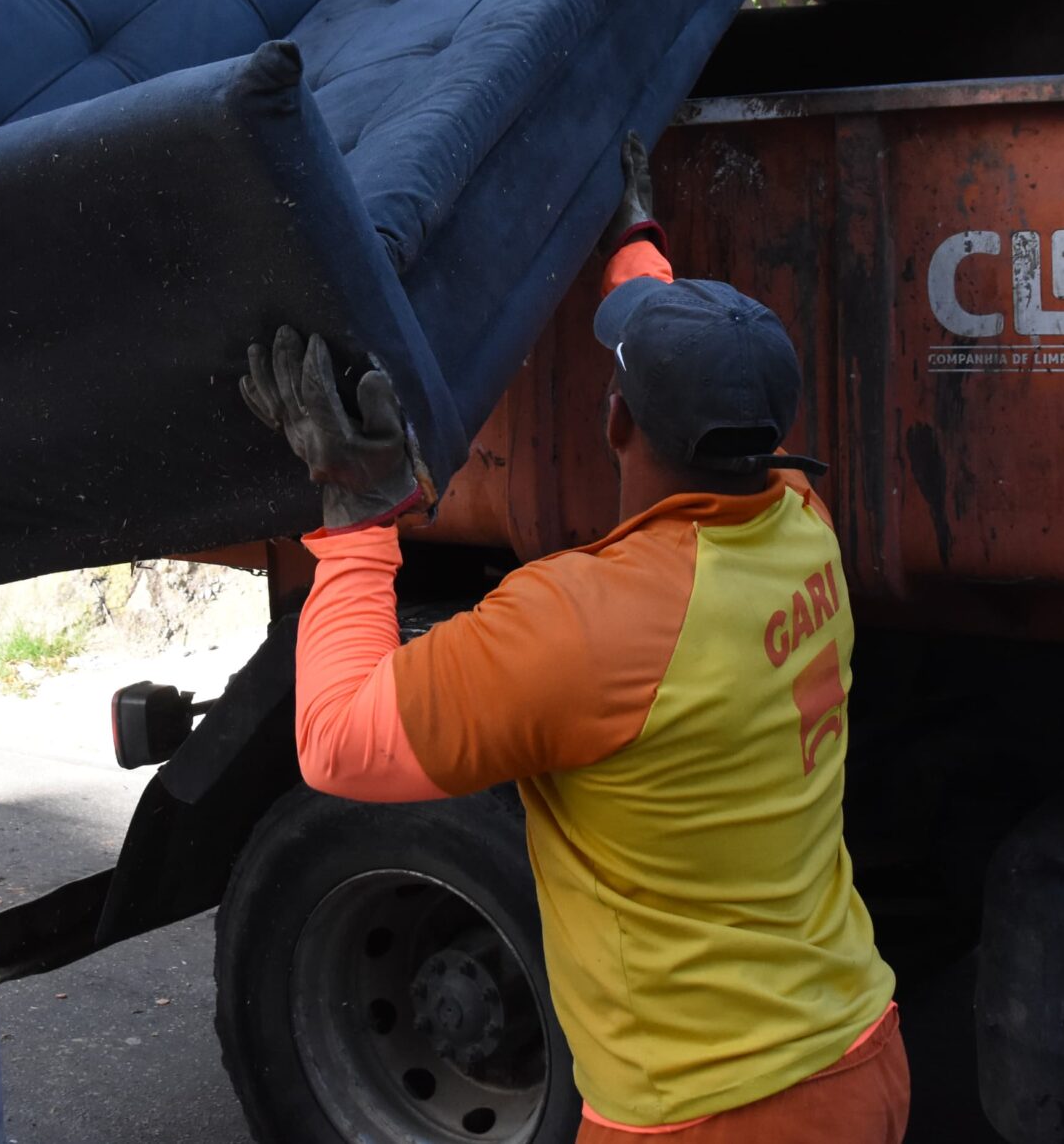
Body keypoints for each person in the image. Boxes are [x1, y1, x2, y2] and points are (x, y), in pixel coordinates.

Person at [239, 134, 907, 1144]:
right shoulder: (800, 524)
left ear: (615, 421)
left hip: (708, 1118)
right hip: (858, 1053)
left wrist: (355, 518)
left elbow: (336, 741)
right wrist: (634, 242)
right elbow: (700, 380)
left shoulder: (584, 627)